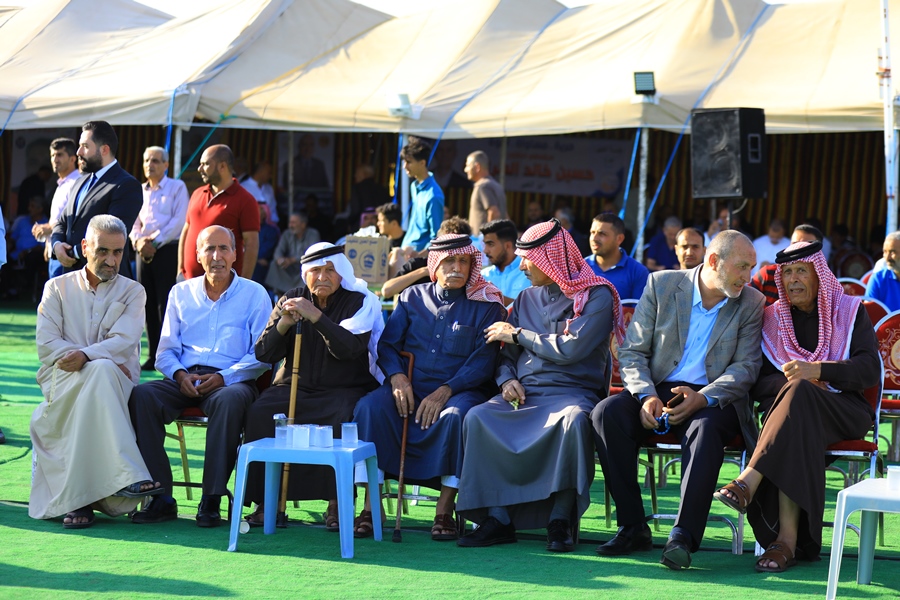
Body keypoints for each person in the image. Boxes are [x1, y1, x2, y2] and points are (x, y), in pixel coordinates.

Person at [592, 230, 765, 570]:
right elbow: (632, 352)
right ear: (714, 261)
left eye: (751, 268)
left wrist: (703, 397)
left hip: (716, 399)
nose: (748, 276)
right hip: (657, 388)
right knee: (605, 414)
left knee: (704, 431)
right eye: (742, 267)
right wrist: (645, 395)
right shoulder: (662, 285)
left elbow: (747, 368)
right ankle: (633, 527)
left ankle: (682, 537)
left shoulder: (751, 302)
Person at [457, 219, 625, 551]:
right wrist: (507, 381)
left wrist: (517, 334)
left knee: (575, 422)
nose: (521, 266)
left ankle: (560, 520)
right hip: (524, 394)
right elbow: (506, 357)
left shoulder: (597, 295)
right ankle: (498, 518)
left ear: (552, 259)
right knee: (477, 417)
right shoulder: (525, 298)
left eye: (528, 258)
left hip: (572, 394)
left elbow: (572, 348)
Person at [714, 240, 879, 572]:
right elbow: (758, 382)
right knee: (798, 400)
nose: (792, 280)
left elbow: (869, 371)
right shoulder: (773, 319)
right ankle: (786, 542)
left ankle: (750, 482)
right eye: (786, 273)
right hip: (791, 414)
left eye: (801, 271)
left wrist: (819, 371)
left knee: (799, 393)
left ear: (819, 274)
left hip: (844, 410)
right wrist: (799, 382)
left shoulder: (850, 311)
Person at [353, 234, 506, 541]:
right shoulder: (411, 298)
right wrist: (396, 378)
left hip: (460, 392)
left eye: (464, 261)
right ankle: (371, 506)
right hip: (409, 387)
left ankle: (444, 510)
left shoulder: (487, 305)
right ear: (435, 264)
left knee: (456, 417)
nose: (457, 267)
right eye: (450, 261)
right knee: (368, 407)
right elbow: (388, 347)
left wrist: (445, 391)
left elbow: (483, 362)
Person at [129, 225, 271, 527]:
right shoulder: (180, 293)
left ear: (235, 254)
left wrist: (224, 377)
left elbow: (262, 355)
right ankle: (160, 495)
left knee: (231, 401)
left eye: (223, 249)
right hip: (185, 378)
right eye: (209, 248)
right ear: (197, 254)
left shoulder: (254, 294)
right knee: (142, 396)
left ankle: (212, 498)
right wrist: (179, 376)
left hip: (231, 381)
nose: (216, 256)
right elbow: (164, 351)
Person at [31, 215, 162, 529]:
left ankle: (81, 503)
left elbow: (123, 342)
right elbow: (46, 345)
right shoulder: (56, 288)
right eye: (103, 251)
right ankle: (126, 478)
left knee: (102, 371)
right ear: (84, 247)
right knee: (100, 369)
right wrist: (89, 359)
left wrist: (85, 356)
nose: (111, 260)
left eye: (118, 252)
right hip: (62, 383)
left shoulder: (134, 292)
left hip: (116, 384)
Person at [242, 242, 384, 527]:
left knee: (343, 415)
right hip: (295, 386)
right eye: (316, 271)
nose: (322, 277)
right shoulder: (292, 298)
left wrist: (316, 317)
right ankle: (267, 501)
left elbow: (348, 349)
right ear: (305, 274)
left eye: (330, 270)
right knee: (260, 413)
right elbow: (264, 353)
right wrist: (283, 323)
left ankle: (336, 502)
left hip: (345, 388)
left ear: (342, 272)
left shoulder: (360, 300)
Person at [51, 121, 142, 279]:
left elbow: (112, 233)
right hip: (73, 279)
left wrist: (73, 252)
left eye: (85, 146)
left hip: (105, 282)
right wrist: (57, 245)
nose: (79, 152)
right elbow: (63, 221)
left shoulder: (126, 185)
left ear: (104, 149)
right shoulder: (80, 181)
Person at [131, 146, 190, 371]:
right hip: (142, 250)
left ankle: (168, 355)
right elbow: (133, 221)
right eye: (147, 160)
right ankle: (152, 354)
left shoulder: (177, 187)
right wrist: (138, 242)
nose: (150, 165)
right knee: (145, 303)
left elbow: (179, 221)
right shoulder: (139, 190)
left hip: (166, 250)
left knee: (165, 304)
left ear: (166, 165)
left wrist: (153, 243)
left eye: (155, 161)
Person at [178, 144, 260, 280]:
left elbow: (252, 244)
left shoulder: (245, 200)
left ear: (222, 166)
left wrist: (244, 283)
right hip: (188, 282)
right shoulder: (197, 193)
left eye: (205, 164)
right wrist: (180, 270)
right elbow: (186, 231)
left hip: (224, 287)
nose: (199, 169)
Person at [381, 217, 471, 300]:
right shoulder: (417, 265)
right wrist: (424, 271)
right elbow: (387, 290)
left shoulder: (467, 270)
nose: (456, 267)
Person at [32, 138, 79, 279]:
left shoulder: (78, 183)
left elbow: (75, 217)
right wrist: (48, 242)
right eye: (52, 155)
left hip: (68, 251)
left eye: (59, 155)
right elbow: (59, 218)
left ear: (73, 159)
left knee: (66, 299)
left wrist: (48, 228)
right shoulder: (61, 185)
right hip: (56, 250)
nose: (55, 159)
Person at [752, 224, 823, 306]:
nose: (799, 248)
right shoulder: (769, 274)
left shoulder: (824, 284)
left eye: (806, 245)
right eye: (795, 244)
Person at [585, 213, 649, 300]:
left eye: (602, 234)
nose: (594, 238)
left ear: (619, 239)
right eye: (592, 233)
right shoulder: (580, 268)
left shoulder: (637, 272)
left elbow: (639, 311)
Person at [400, 137, 445, 251]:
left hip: (417, 255)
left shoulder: (434, 195)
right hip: (406, 248)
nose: (405, 166)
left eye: (409, 162)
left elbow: (437, 237)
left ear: (422, 163)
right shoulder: (414, 186)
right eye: (404, 162)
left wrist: (419, 254)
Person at [265, 211, 321, 296]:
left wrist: (293, 260)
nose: (290, 225)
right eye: (290, 222)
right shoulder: (287, 234)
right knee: (274, 264)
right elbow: (278, 251)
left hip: (304, 267)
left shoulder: (313, 234)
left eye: (293, 223)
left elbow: (313, 254)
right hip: (289, 267)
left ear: (303, 224)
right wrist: (280, 259)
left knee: (311, 268)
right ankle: (280, 293)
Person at [480, 219, 531, 305]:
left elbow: (532, 309)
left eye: (490, 244)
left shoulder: (530, 273)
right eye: (485, 244)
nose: (485, 250)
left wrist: (494, 296)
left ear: (508, 246)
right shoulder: (482, 275)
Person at [464, 150, 507, 235]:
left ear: (477, 167)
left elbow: (494, 212)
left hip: (481, 242)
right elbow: (505, 215)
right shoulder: (497, 185)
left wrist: (487, 238)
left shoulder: (482, 186)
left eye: (468, 166)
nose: (465, 170)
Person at [864, 231, 900, 311]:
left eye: (892, 252)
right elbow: (869, 313)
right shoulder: (877, 279)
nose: (887, 257)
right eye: (885, 252)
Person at [242, 160, 279, 225]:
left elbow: (273, 209)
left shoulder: (269, 188)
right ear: (260, 172)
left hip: (269, 228)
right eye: (269, 173)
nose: (271, 176)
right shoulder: (243, 187)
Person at [253, 203, 280, 288]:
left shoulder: (271, 231)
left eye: (261, 212)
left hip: (265, 264)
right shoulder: (248, 230)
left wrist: (253, 258)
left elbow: (265, 252)